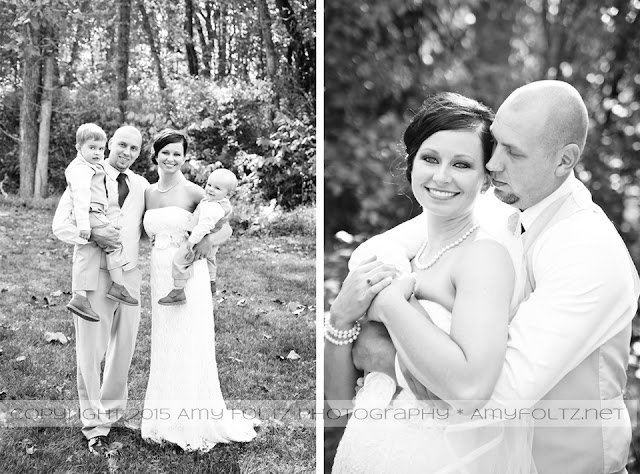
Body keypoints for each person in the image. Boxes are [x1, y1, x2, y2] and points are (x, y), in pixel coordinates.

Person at [346, 81, 640, 473]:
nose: (493, 163)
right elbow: (375, 251)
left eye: (514, 152)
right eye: (496, 142)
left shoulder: (588, 252)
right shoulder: (499, 203)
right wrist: (398, 290)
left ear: (564, 161)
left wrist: (383, 350)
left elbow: (488, 397)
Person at [326, 92, 536, 473]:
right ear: (411, 164)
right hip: (364, 450)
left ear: (486, 179)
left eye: (462, 164)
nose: (441, 177)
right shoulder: (399, 257)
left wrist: (390, 303)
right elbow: (339, 407)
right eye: (430, 159)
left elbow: (470, 392)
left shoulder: (483, 258)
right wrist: (339, 320)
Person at [52, 125, 232, 455]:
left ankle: (113, 415)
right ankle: (94, 426)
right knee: (91, 353)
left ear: (139, 153)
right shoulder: (85, 176)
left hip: (132, 277)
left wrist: (206, 239)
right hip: (95, 276)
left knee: (123, 352)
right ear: (109, 145)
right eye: (122, 145)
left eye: (133, 148)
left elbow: (214, 222)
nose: (127, 152)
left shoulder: (140, 186)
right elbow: (60, 225)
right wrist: (93, 234)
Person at [141, 129, 258, 451]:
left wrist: (207, 241)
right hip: (159, 272)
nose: (171, 158)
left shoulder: (195, 191)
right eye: (165, 152)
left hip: (190, 270)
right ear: (156, 154)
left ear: (184, 157)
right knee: (166, 340)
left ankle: (196, 418)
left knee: (190, 338)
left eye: (177, 153)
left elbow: (226, 225)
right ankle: (166, 416)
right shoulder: (147, 193)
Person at [65, 123, 138, 321]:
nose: (97, 153)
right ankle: (117, 287)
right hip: (91, 213)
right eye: (92, 148)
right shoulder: (82, 170)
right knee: (113, 241)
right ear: (79, 147)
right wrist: (84, 226)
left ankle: (79, 296)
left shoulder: (92, 167)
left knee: (98, 244)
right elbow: (79, 199)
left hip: (97, 214)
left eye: (99, 148)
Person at [158, 168, 237, 305]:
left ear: (228, 194)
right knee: (211, 259)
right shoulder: (216, 202)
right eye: (209, 185)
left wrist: (192, 241)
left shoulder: (213, 206)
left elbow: (205, 227)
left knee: (180, 260)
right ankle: (212, 282)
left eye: (217, 188)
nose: (210, 189)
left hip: (199, 239)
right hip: (206, 239)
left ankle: (178, 290)